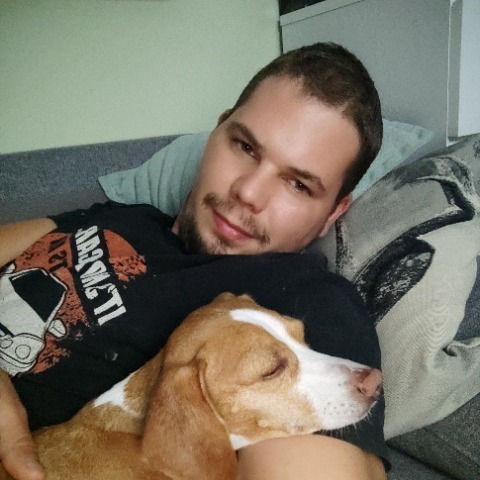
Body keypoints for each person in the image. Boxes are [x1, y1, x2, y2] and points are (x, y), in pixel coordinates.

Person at [0, 42, 387, 479]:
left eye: (298, 184)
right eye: (245, 146)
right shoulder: (126, 216)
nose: (248, 192)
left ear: (334, 213)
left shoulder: (308, 298)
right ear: (216, 133)